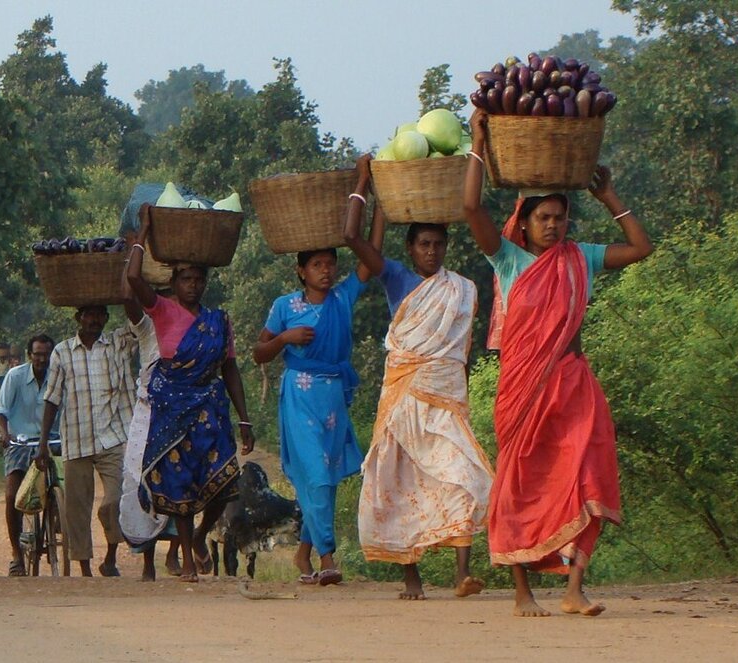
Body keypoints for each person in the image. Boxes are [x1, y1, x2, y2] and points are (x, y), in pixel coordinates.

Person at [462, 109, 654, 617]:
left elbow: (641, 248)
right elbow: (469, 207)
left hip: (572, 383)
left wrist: (608, 196)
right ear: (523, 223)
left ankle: (574, 587)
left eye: (559, 217)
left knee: (585, 471)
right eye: (542, 218)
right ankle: (522, 591)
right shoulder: (508, 259)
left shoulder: (581, 257)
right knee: (520, 479)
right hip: (522, 390)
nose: (551, 226)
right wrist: (478, 141)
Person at [345, 154, 494, 600]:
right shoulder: (396, 278)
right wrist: (363, 182)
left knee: (463, 475)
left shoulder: (461, 287)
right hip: (404, 401)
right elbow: (352, 236)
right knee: (399, 480)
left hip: (444, 401)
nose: (431, 251)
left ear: (446, 247)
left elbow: (458, 350)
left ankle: (462, 573)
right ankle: (412, 579)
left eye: (438, 245)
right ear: (410, 249)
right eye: (423, 245)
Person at [125, 207, 255, 583]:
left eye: (198, 279)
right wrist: (144, 234)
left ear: (205, 282)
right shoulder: (161, 310)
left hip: (209, 406)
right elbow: (133, 277)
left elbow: (230, 367)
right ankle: (184, 556)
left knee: (222, 480)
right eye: (186, 279)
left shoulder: (219, 321)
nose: (193, 285)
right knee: (178, 481)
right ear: (175, 282)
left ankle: (200, 535)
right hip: (171, 406)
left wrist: (243, 417)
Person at [252, 246, 363, 587]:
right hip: (299, 398)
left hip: (332, 400)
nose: (325, 271)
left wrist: (365, 198)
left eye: (330, 264)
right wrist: (285, 338)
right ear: (301, 270)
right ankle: (327, 557)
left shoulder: (343, 298)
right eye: (316, 265)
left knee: (325, 481)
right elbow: (259, 353)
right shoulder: (285, 306)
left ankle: (303, 553)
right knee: (315, 474)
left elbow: (369, 263)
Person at [36, 305, 136, 578]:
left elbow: (139, 318)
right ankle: (85, 569)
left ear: (106, 317)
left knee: (115, 500)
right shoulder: (63, 352)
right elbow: (52, 398)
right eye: (88, 315)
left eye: (99, 315)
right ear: (78, 318)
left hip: (112, 437)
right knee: (77, 509)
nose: (94, 320)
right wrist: (43, 443)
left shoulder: (118, 343)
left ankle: (111, 557)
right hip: (76, 439)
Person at [116, 260, 181, 581]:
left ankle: (175, 553)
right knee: (143, 484)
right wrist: (134, 252)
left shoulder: (189, 323)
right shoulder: (146, 327)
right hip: (148, 412)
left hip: (179, 412)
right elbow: (129, 299)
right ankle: (148, 562)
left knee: (182, 480)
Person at [0, 334, 59, 576]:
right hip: (21, 443)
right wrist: (4, 434)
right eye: (37, 354)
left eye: (46, 354)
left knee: (67, 485)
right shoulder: (15, 376)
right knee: (12, 495)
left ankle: (57, 520)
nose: (42, 359)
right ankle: (16, 554)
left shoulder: (59, 376)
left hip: (53, 441)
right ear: (29, 355)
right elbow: (1, 411)